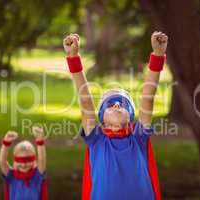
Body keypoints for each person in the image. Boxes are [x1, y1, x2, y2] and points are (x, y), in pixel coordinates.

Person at [63, 31, 168, 200]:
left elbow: (148, 98)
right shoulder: (96, 139)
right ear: (101, 118)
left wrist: (158, 55)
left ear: (132, 116)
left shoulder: (138, 137)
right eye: (110, 104)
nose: (117, 104)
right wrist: (73, 58)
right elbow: (85, 102)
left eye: (123, 103)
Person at [0, 126, 47, 200]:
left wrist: (40, 141)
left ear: (34, 161)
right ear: (15, 161)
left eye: (28, 160)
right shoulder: (12, 176)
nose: (24, 164)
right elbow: (2, 162)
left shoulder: (36, 176)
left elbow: (42, 159)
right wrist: (6, 143)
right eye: (20, 161)